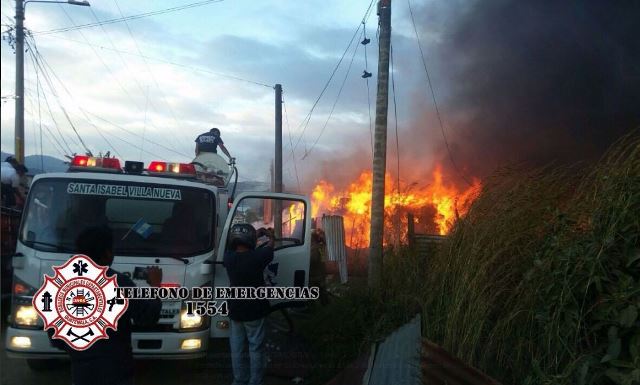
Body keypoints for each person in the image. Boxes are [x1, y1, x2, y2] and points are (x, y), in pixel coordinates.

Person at [49, 225, 163, 385]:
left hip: (82, 372)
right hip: (117, 371)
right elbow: (147, 318)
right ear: (108, 254)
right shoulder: (120, 283)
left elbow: (56, 339)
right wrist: (156, 286)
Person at [223, 223, 274, 385]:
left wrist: (254, 235)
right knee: (255, 347)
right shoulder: (258, 256)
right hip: (254, 309)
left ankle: (239, 380)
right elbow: (271, 247)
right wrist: (269, 237)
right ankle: (255, 382)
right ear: (251, 240)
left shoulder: (228, 257)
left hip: (236, 309)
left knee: (237, 348)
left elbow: (230, 247)